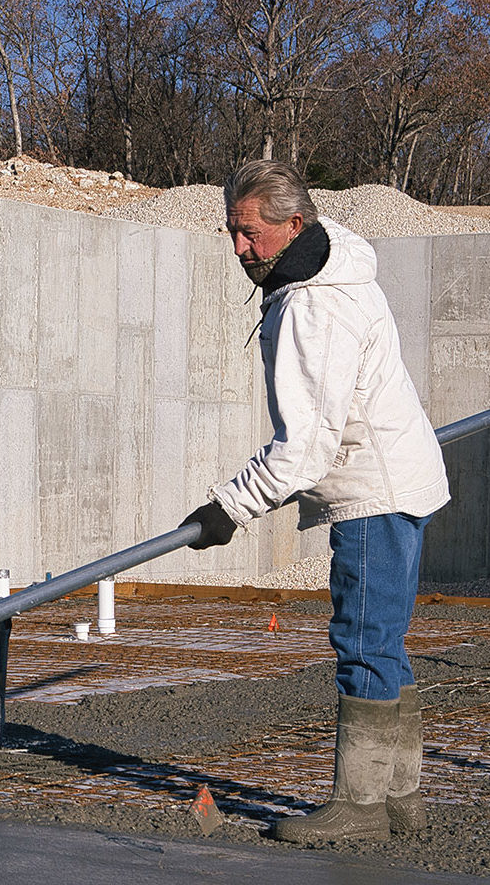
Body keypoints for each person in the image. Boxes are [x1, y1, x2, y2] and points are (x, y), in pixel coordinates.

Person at [180, 160, 449, 845]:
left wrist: (228, 509)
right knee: (383, 641)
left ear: (293, 224)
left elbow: (306, 448)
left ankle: (359, 809)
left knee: (363, 640)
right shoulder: (327, 273)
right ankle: (398, 800)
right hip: (394, 480)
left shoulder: (313, 306)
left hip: (371, 491)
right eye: (231, 233)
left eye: (249, 233)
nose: (239, 248)